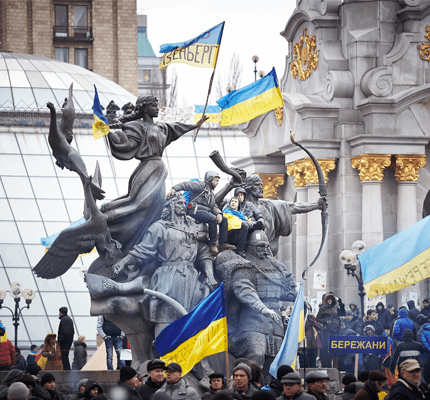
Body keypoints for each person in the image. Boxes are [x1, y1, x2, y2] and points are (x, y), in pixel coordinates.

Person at [101, 95, 208, 254]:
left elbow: (178, 128)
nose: (158, 108)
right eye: (154, 105)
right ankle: (107, 218)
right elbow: (127, 145)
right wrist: (107, 132)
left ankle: (142, 247)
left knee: (156, 209)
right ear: (144, 107)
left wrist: (196, 125)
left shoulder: (162, 127)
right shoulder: (136, 127)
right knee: (139, 204)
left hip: (159, 170)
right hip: (147, 168)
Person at [110, 194, 216, 336]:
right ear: (171, 206)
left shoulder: (194, 228)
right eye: (179, 203)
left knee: (192, 320)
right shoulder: (159, 227)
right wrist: (123, 263)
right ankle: (164, 354)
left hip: (191, 279)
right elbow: (143, 250)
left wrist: (209, 274)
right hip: (168, 278)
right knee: (165, 318)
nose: (183, 206)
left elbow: (204, 254)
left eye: (184, 203)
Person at [216, 231, 296, 382]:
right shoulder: (244, 265)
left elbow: (287, 292)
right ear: (251, 247)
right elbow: (244, 290)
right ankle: (249, 386)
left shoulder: (277, 268)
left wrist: (298, 297)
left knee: (275, 361)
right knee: (256, 353)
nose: (264, 250)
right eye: (259, 246)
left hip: (275, 323)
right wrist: (263, 308)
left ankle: (269, 391)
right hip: (252, 320)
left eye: (266, 246)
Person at [241, 174, 324, 256]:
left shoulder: (269, 205)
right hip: (247, 253)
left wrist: (316, 205)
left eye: (261, 185)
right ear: (249, 187)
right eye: (257, 185)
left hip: (266, 252)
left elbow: (294, 206)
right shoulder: (240, 207)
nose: (261, 187)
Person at [167, 171, 235, 255]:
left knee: (224, 219)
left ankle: (223, 243)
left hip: (205, 211)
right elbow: (186, 185)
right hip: (194, 211)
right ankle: (213, 244)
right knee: (212, 219)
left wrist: (219, 214)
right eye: (216, 180)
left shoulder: (211, 193)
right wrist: (174, 188)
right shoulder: (200, 185)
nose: (217, 183)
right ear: (209, 179)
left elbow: (213, 206)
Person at [316, 293, 340, 368]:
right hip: (326, 331)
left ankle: (335, 368)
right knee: (326, 349)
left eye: (331, 299)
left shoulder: (336, 308)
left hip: (335, 330)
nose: (330, 301)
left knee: (335, 349)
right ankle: (326, 366)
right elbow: (317, 319)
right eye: (328, 300)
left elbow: (338, 317)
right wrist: (326, 321)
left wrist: (339, 322)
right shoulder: (323, 308)